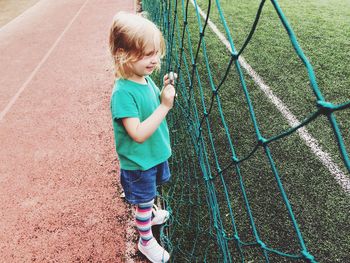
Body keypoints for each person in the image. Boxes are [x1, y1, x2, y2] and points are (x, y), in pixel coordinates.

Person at [109, 11, 176, 263]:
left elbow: (154, 102)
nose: (154, 60)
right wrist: (165, 106)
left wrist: (165, 90)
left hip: (153, 154)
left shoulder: (143, 78)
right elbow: (136, 133)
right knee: (144, 198)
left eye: (156, 53)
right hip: (139, 162)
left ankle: (148, 211)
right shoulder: (123, 93)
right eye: (147, 54)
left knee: (149, 196)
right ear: (123, 54)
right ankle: (145, 240)